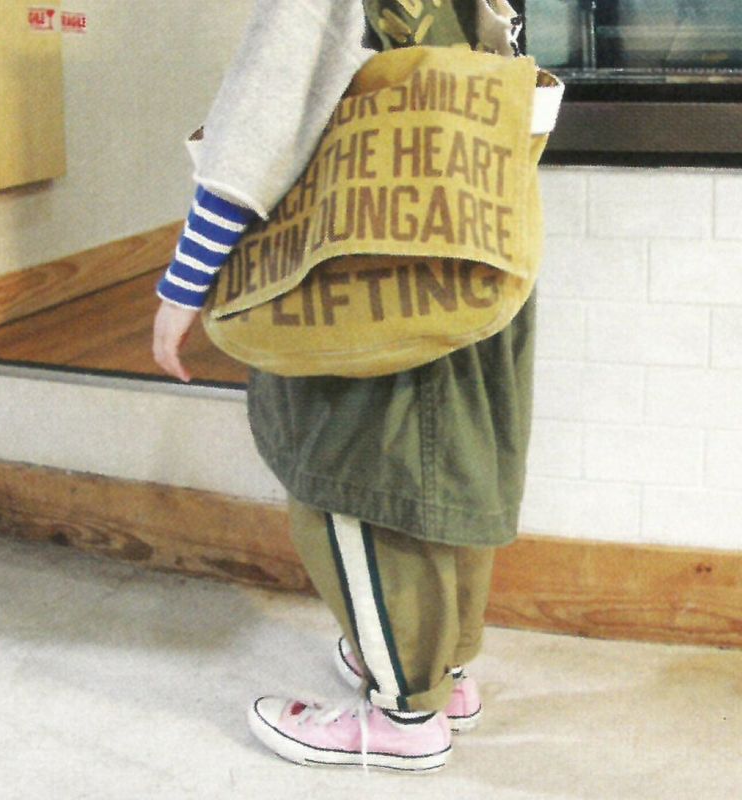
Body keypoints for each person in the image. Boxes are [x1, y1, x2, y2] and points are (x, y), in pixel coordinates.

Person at [153, 0, 531, 773]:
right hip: (459, 253)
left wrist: (186, 282)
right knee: (444, 470)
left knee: (356, 485)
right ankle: (442, 673)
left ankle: (404, 715)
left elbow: (262, 121)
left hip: (364, 267)